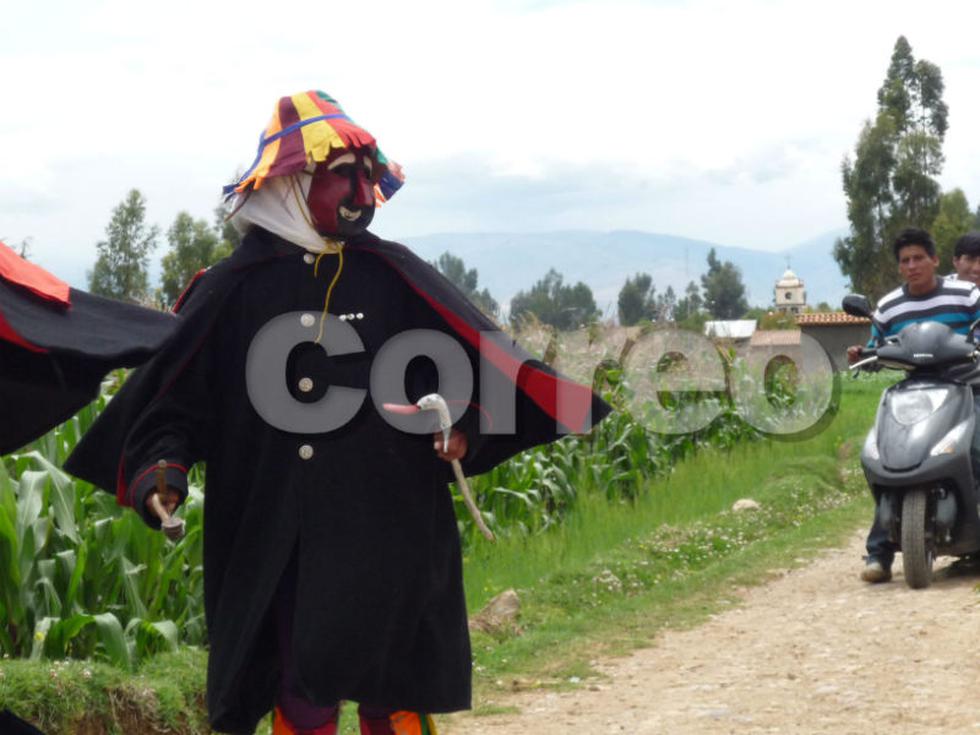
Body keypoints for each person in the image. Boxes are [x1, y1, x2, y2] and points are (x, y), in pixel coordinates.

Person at [65, 90, 611, 734]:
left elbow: (467, 367)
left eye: (367, 175)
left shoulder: (394, 275)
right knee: (300, 688)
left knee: (395, 688)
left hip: (393, 524)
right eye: (343, 174)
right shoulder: (232, 291)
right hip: (283, 536)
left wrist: (463, 430)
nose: (363, 191)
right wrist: (163, 470)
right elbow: (176, 401)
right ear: (295, 180)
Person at [847, 227, 980, 583]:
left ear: (935, 260)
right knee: (888, 454)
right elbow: (879, 341)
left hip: (967, 385)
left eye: (919, 258)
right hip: (915, 389)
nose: (912, 266)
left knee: (976, 449)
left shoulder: (966, 294)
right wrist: (865, 354)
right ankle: (880, 552)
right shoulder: (890, 305)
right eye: (905, 261)